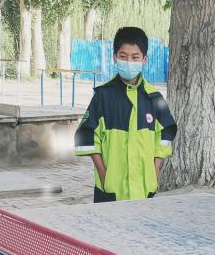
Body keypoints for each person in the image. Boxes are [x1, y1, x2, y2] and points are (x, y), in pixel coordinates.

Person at [74, 26, 177, 202]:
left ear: (144, 59)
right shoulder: (103, 97)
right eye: (123, 56)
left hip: (145, 190)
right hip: (111, 192)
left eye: (135, 57)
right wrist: (104, 175)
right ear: (115, 57)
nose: (129, 62)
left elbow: (165, 134)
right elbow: (86, 136)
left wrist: (155, 170)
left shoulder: (155, 98)